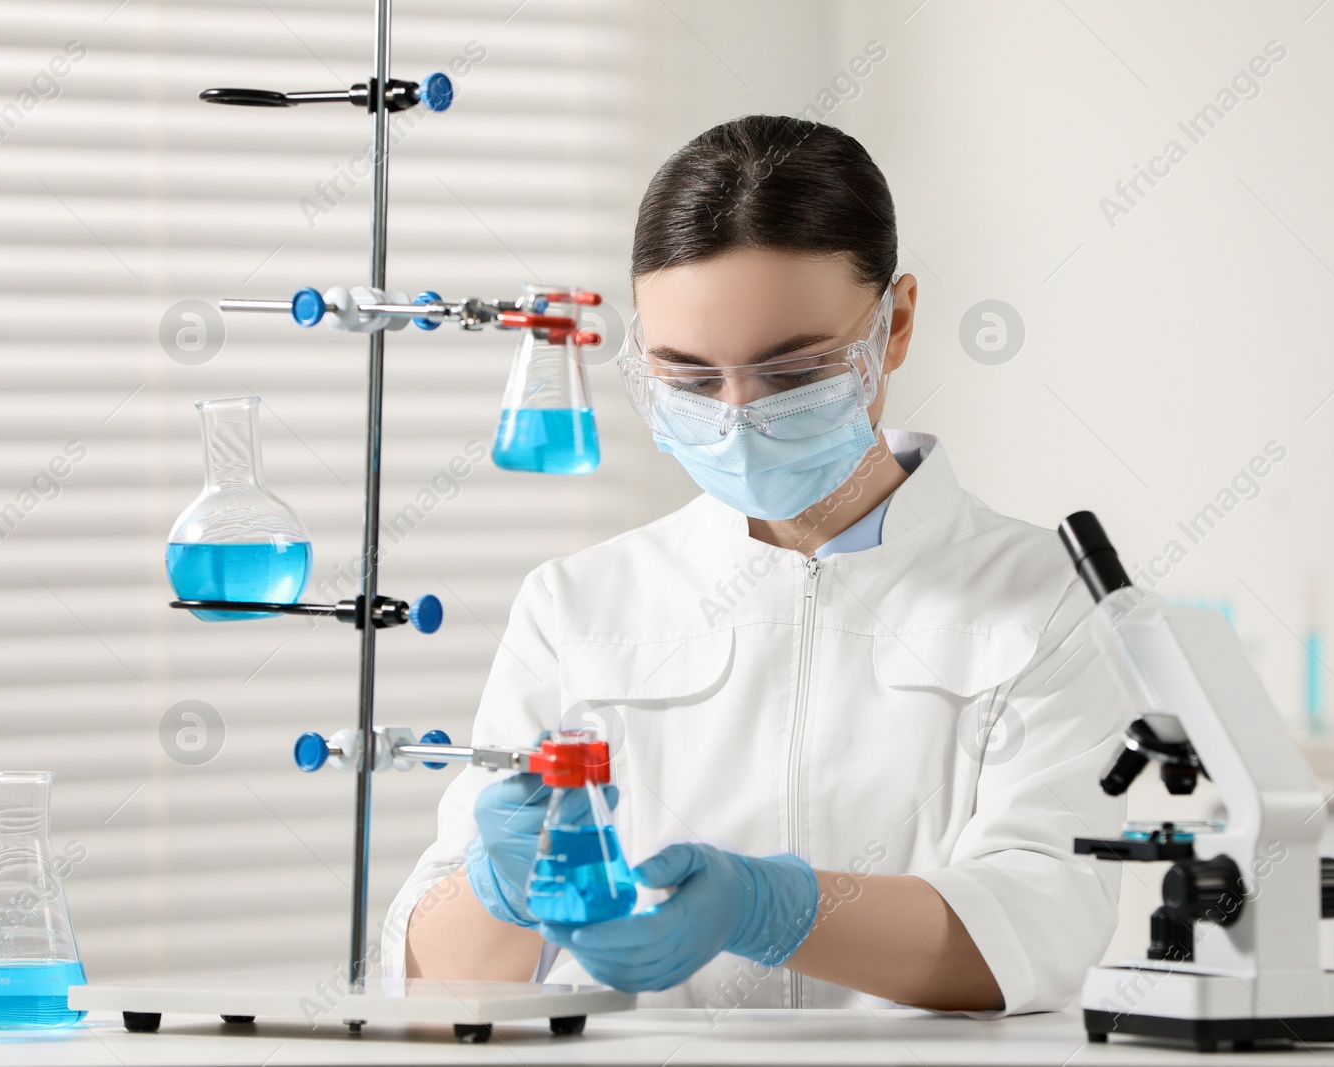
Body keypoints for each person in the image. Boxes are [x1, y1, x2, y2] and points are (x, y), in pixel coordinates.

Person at [384, 115, 1127, 1015]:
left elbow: (1043, 919)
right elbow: (432, 979)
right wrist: (500, 891)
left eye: (791, 371)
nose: (737, 418)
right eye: (691, 379)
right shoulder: (577, 607)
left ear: (895, 325)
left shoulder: (1045, 600)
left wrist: (777, 907)